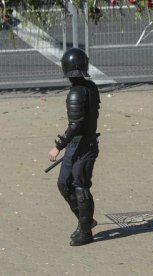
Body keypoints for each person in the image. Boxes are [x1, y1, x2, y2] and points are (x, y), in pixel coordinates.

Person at [47, 48, 100, 246]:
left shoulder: (77, 93)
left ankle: (86, 231)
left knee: (80, 187)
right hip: (79, 145)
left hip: (82, 146)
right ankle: (86, 220)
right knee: (64, 184)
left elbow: (76, 124)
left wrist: (57, 146)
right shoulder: (91, 87)